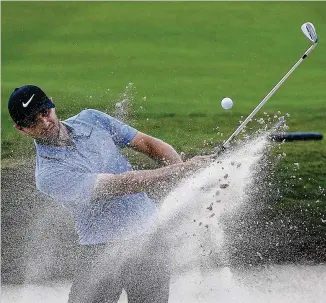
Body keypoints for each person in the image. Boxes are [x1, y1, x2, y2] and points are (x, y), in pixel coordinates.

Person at [8, 85, 214, 303]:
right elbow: (121, 184)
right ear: (21, 129)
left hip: (150, 238)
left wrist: (186, 177)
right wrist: (184, 170)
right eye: (32, 121)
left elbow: (148, 144)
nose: (44, 123)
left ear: (52, 103)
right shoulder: (49, 175)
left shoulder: (91, 119)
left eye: (44, 112)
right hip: (100, 250)